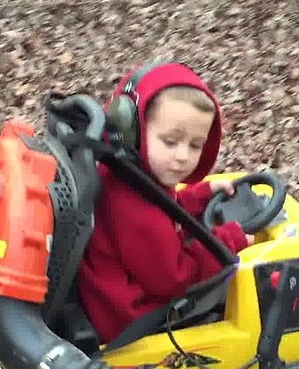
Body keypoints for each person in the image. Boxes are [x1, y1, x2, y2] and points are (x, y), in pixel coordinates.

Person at [76, 60, 255, 345]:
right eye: (170, 142)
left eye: (195, 145)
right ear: (132, 130)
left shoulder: (128, 174)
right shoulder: (134, 207)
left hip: (111, 295)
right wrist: (229, 240)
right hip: (131, 318)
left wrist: (200, 196)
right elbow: (175, 277)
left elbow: (164, 206)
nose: (183, 156)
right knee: (242, 283)